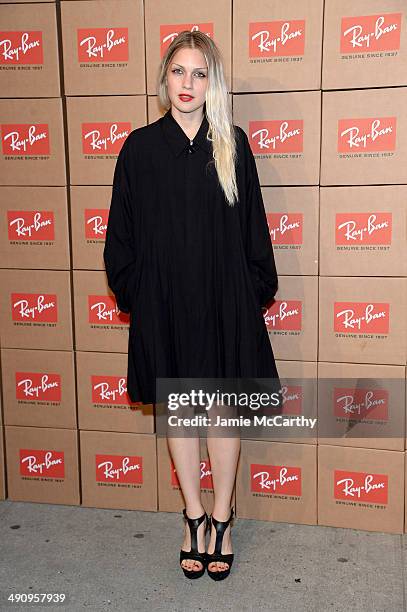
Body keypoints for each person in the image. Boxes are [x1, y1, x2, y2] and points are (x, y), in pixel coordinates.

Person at [103, 30, 281, 581]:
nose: (188, 83)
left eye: (200, 73)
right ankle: (194, 516)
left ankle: (224, 517)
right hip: (166, 303)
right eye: (179, 71)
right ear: (164, 79)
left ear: (213, 83)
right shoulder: (138, 148)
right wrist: (140, 294)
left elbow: (254, 228)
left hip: (223, 300)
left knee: (222, 409)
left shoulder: (234, 143)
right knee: (181, 411)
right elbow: (121, 236)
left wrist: (250, 293)